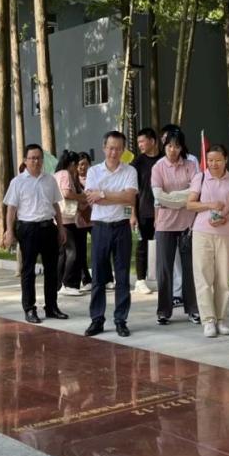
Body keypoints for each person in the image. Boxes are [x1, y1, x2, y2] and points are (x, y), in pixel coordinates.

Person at [4, 144, 69, 323]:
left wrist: (61, 228)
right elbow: (11, 209)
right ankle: (29, 308)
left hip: (48, 227)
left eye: (39, 158)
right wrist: (9, 231)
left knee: (52, 270)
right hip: (28, 229)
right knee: (28, 270)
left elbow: (56, 205)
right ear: (25, 160)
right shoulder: (17, 182)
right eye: (32, 158)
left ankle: (52, 307)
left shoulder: (50, 180)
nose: (36, 161)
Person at [83, 131, 138, 337]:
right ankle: (97, 319)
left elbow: (130, 198)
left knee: (122, 276)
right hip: (100, 227)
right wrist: (117, 196)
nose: (114, 152)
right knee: (98, 275)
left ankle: (121, 320)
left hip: (122, 227)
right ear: (104, 148)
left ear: (123, 150)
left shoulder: (130, 171)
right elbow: (92, 198)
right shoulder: (93, 171)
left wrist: (103, 194)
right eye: (111, 148)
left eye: (118, 148)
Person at [187, 144, 229, 337]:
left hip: (226, 233)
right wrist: (210, 205)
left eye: (218, 160)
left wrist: (226, 218)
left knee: (223, 279)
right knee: (203, 277)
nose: (213, 164)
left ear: (225, 160)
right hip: (202, 232)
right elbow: (190, 204)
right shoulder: (200, 178)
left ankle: (221, 319)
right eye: (210, 160)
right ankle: (208, 320)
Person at [151, 127, 201, 325]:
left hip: (188, 224)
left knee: (190, 268)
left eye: (177, 146)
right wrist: (183, 198)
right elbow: (158, 196)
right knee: (164, 269)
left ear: (182, 147)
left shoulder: (191, 165)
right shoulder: (158, 167)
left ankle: (193, 309)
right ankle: (164, 311)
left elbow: (196, 192)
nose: (173, 150)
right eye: (169, 146)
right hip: (164, 225)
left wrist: (170, 198)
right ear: (164, 146)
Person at [130, 128, 162, 294]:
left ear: (153, 141)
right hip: (144, 211)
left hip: (164, 211)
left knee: (164, 246)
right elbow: (132, 191)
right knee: (143, 245)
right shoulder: (137, 163)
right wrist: (133, 214)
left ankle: (164, 278)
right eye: (138, 142)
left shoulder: (164, 160)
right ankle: (140, 280)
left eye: (143, 141)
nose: (140, 145)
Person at [54, 150, 88, 296]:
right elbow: (66, 193)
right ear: (72, 164)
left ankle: (59, 284)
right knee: (72, 252)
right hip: (66, 218)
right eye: (76, 165)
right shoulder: (65, 174)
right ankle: (67, 283)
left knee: (63, 254)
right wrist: (81, 197)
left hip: (60, 218)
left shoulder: (57, 174)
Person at [75, 153, 94, 291]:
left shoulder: (95, 177)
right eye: (80, 164)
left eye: (85, 164)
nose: (83, 167)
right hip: (80, 219)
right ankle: (86, 279)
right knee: (80, 250)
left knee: (101, 247)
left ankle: (107, 278)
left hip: (95, 218)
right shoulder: (73, 180)